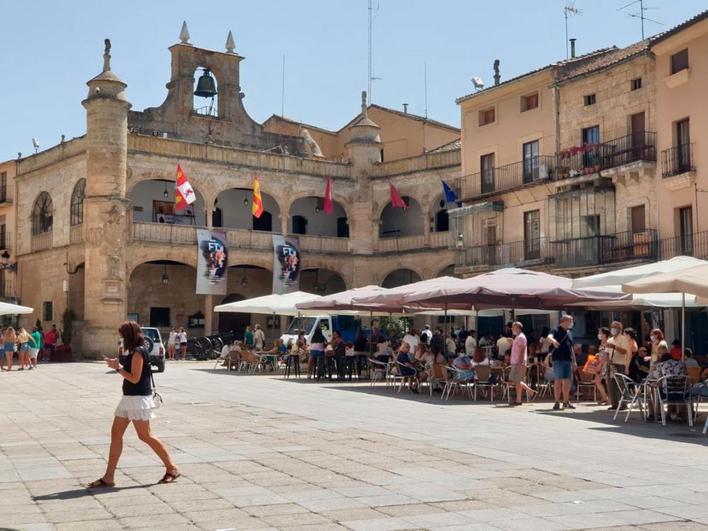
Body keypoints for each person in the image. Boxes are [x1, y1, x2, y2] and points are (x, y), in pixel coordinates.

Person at [88, 321, 178, 488]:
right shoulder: (134, 352)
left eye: (122, 335)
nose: (121, 338)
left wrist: (117, 368)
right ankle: (109, 477)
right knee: (116, 434)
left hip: (137, 399)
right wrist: (119, 365)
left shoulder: (138, 353)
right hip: (129, 398)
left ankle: (171, 468)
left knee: (145, 436)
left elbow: (134, 378)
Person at [547, 315, 577, 410]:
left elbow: (571, 347)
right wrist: (554, 341)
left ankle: (566, 401)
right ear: (565, 321)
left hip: (567, 360)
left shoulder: (569, 332)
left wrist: (574, 361)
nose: (571, 323)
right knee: (558, 381)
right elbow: (549, 337)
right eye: (570, 321)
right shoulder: (555, 330)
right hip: (558, 359)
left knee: (566, 382)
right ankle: (557, 402)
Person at [509, 322, 535, 406]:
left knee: (515, 380)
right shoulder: (519, 337)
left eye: (513, 327)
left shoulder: (521, 337)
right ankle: (519, 399)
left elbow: (522, 350)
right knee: (517, 381)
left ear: (518, 328)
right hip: (517, 362)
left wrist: (519, 362)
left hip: (518, 362)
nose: (512, 329)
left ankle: (530, 391)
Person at [606, 321, 631, 409]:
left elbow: (624, 351)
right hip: (610, 363)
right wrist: (607, 359)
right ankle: (614, 404)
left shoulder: (623, 338)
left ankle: (623, 403)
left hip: (619, 363)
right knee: (611, 384)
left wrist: (614, 347)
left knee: (620, 383)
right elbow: (606, 352)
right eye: (612, 327)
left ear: (620, 329)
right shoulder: (610, 339)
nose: (613, 329)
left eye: (615, 327)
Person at [593, 327, 611, 406]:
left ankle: (609, 399)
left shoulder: (608, 342)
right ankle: (605, 397)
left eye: (600, 333)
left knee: (607, 382)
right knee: (597, 381)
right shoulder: (601, 342)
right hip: (601, 363)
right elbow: (602, 353)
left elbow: (606, 355)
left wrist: (600, 364)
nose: (599, 334)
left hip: (605, 364)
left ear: (604, 334)